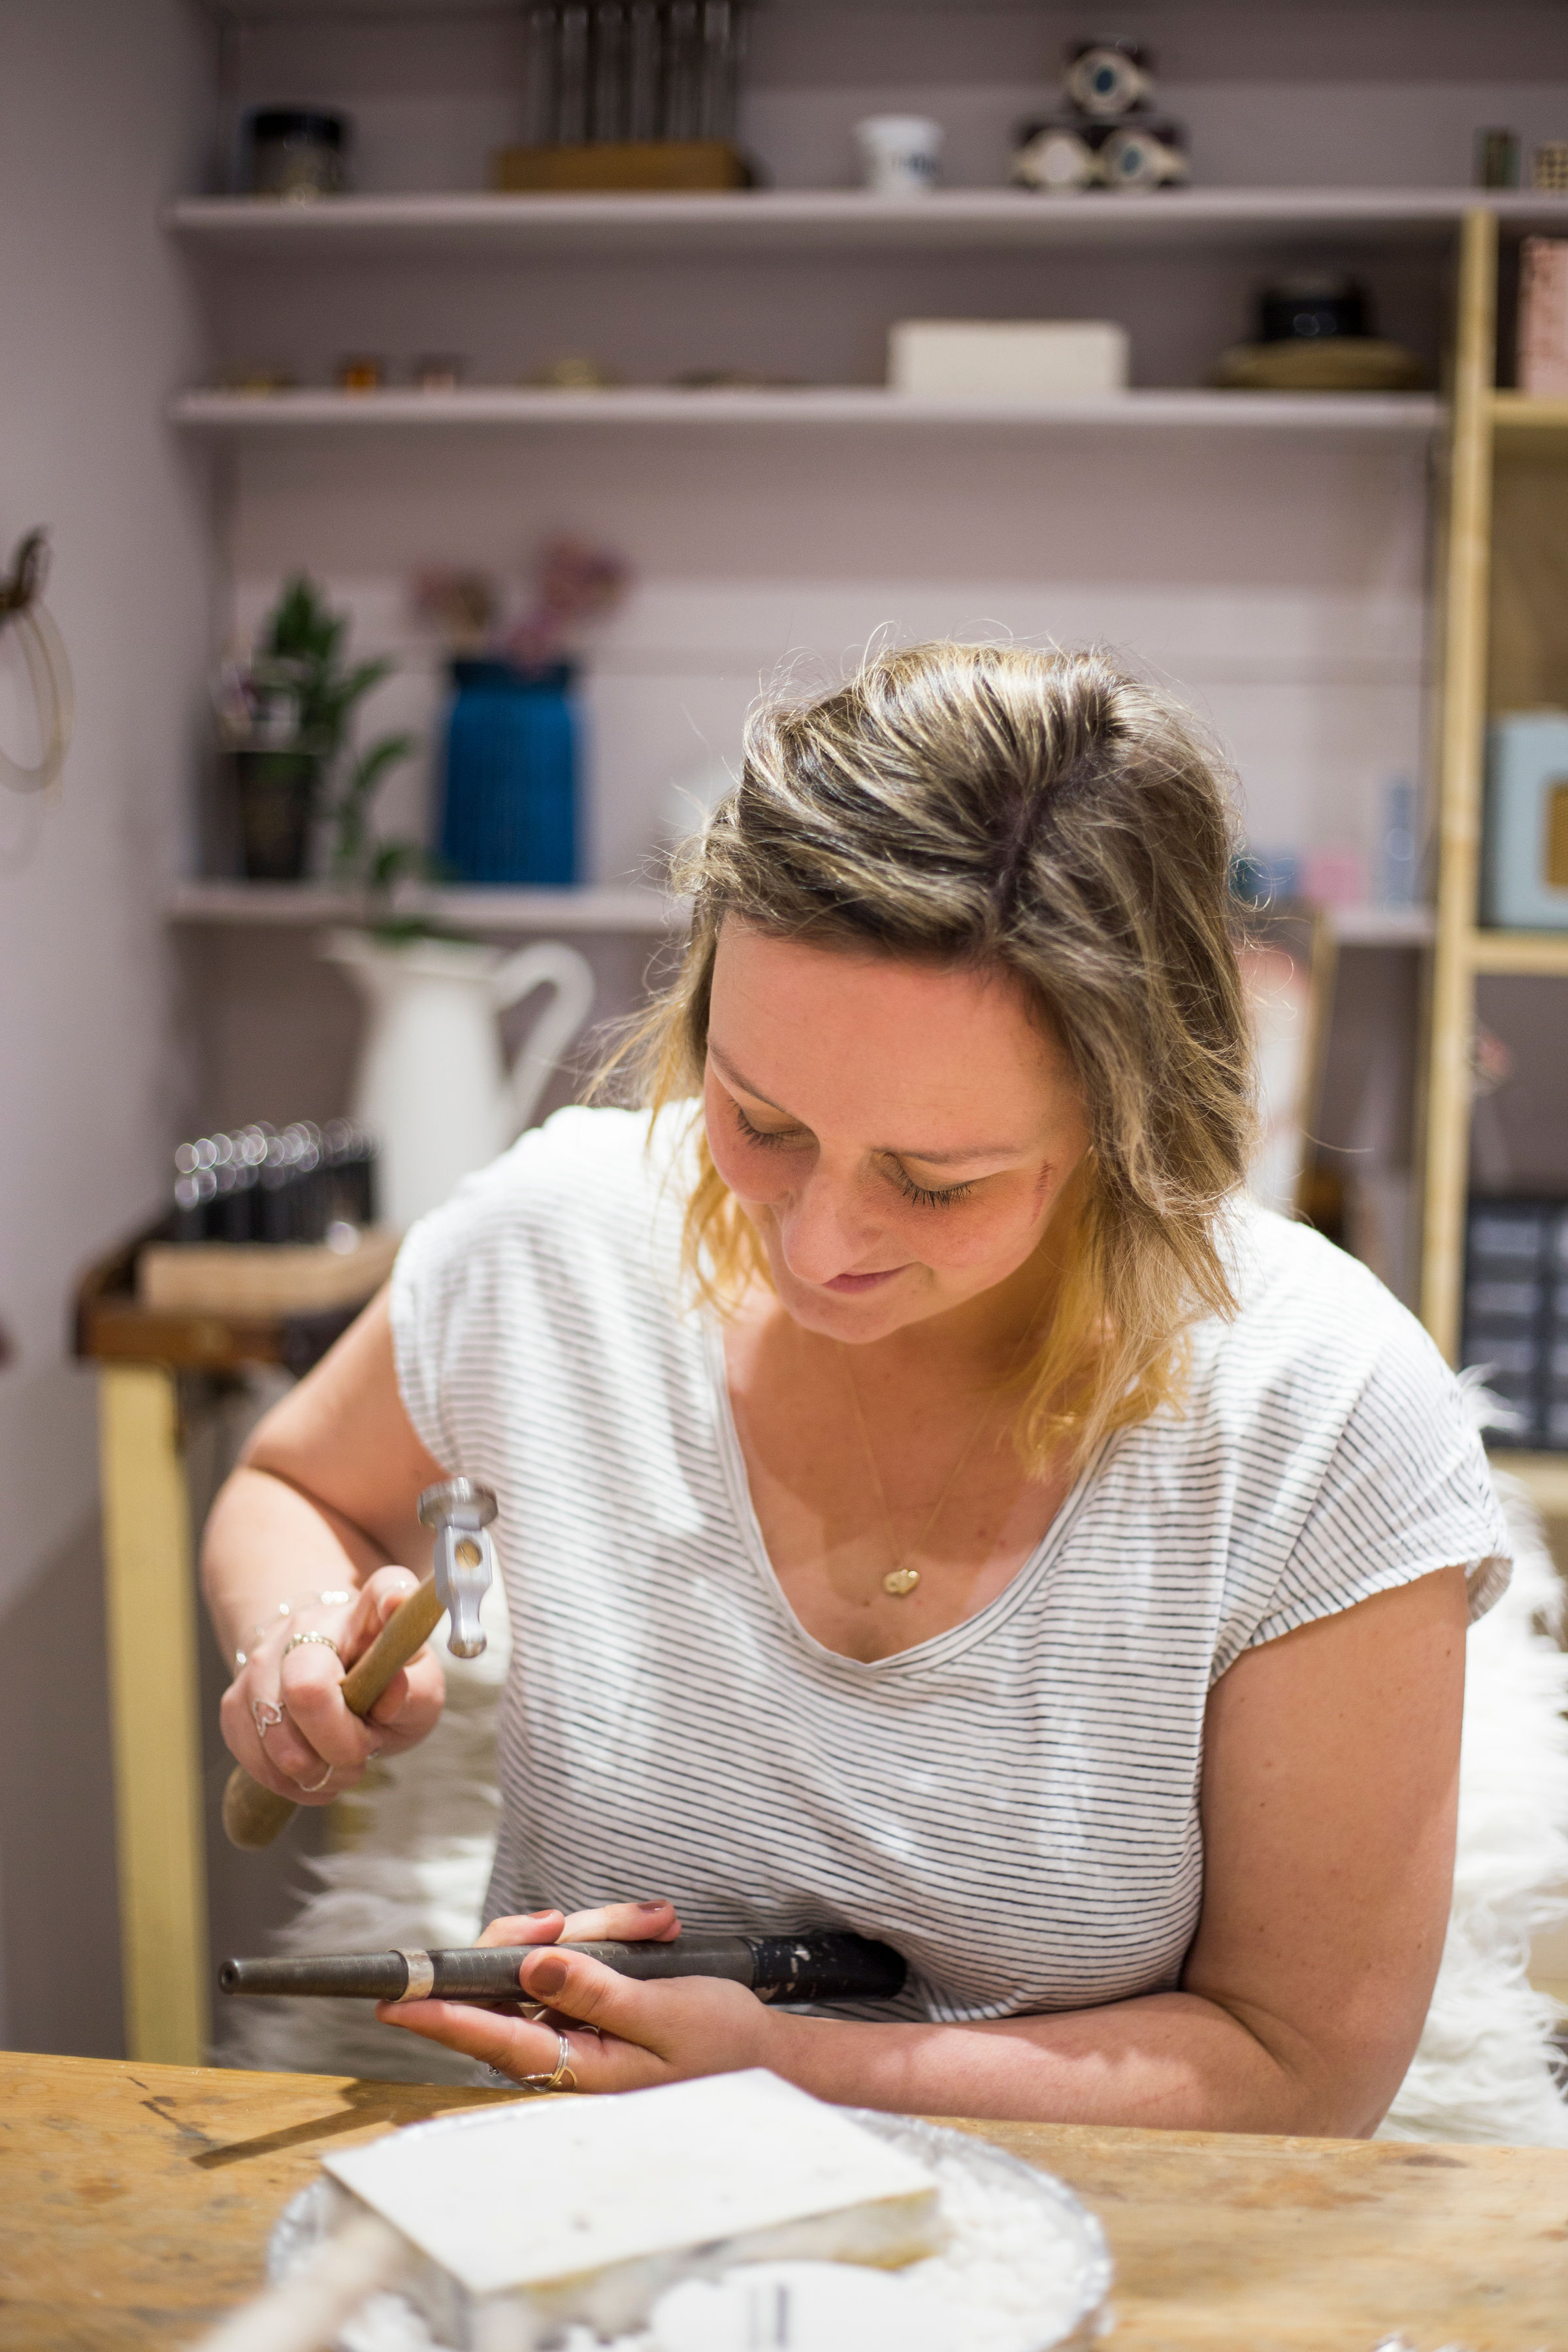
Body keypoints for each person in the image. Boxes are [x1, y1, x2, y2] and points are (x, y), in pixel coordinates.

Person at [203, 643, 1508, 2133]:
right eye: (756, 1119)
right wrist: (298, 1637)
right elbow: (292, 1485)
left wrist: (803, 2075)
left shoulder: (1319, 1407)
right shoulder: (562, 1239)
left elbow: (1304, 2068)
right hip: (579, 2229)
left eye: (934, 1183)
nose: (819, 1246)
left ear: (1131, 1123)